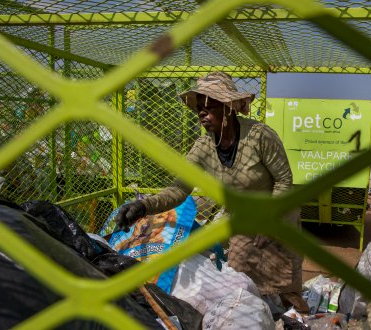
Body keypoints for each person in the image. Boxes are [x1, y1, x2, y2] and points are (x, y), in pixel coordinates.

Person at [115, 71, 309, 312]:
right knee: (241, 283)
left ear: (228, 108)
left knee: (285, 285)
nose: (202, 112)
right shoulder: (204, 147)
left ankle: (300, 319)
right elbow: (179, 188)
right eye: (199, 107)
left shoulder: (259, 135)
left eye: (210, 105)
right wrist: (144, 206)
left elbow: (284, 180)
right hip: (243, 221)